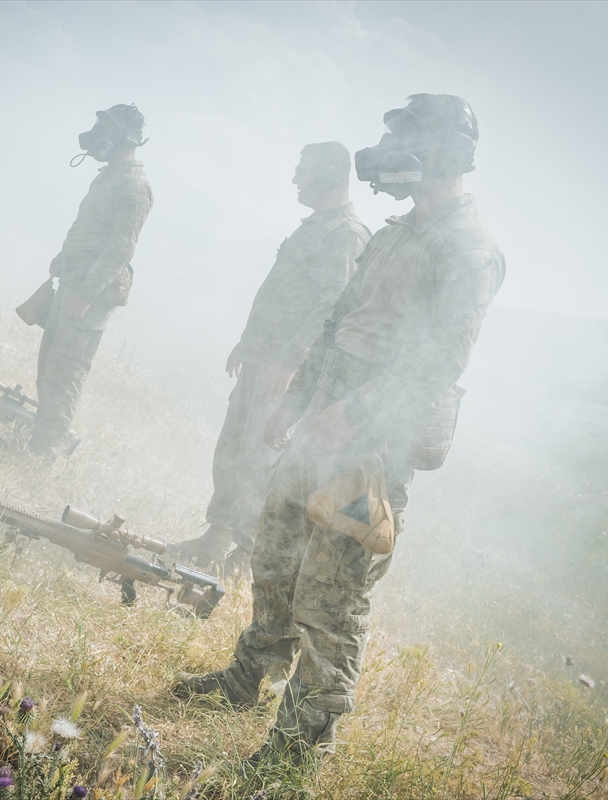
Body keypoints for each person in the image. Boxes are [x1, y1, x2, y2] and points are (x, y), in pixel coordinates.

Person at [173, 94, 506, 766]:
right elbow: (337, 326)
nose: (391, 153)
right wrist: (298, 401)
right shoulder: (394, 233)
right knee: (275, 557)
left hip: (373, 452)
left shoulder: (469, 249)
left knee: (332, 599)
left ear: (445, 150)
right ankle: (248, 678)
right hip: (319, 429)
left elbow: (438, 364)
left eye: (409, 138)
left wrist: (352, 412)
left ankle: (295, 755)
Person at [171, 143, 370, 573]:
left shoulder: (345, 235)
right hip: (263, 360)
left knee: (257, 462)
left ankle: (245, 557)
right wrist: (249, 341)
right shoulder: (316, 227)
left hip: (283, 372)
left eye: (304, 171)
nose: (295, 179)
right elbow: (283, 294)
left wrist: (289, 360)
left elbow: (330, 308)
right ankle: (215, 538)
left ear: (331, 175)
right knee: (232, 450)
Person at [24, 104, 154, 458]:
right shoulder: (108, 176)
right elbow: (91, 229)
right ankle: (42, 442)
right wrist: (64, 258)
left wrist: (85, 294)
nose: (98, 134)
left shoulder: (133, 185)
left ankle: (43, 456)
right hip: (73, 282)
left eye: (107, 127)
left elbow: (121, 247)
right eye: (99, 125)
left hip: (87, 294)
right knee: (49, 368)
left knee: (64, 374)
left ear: (127, 137)